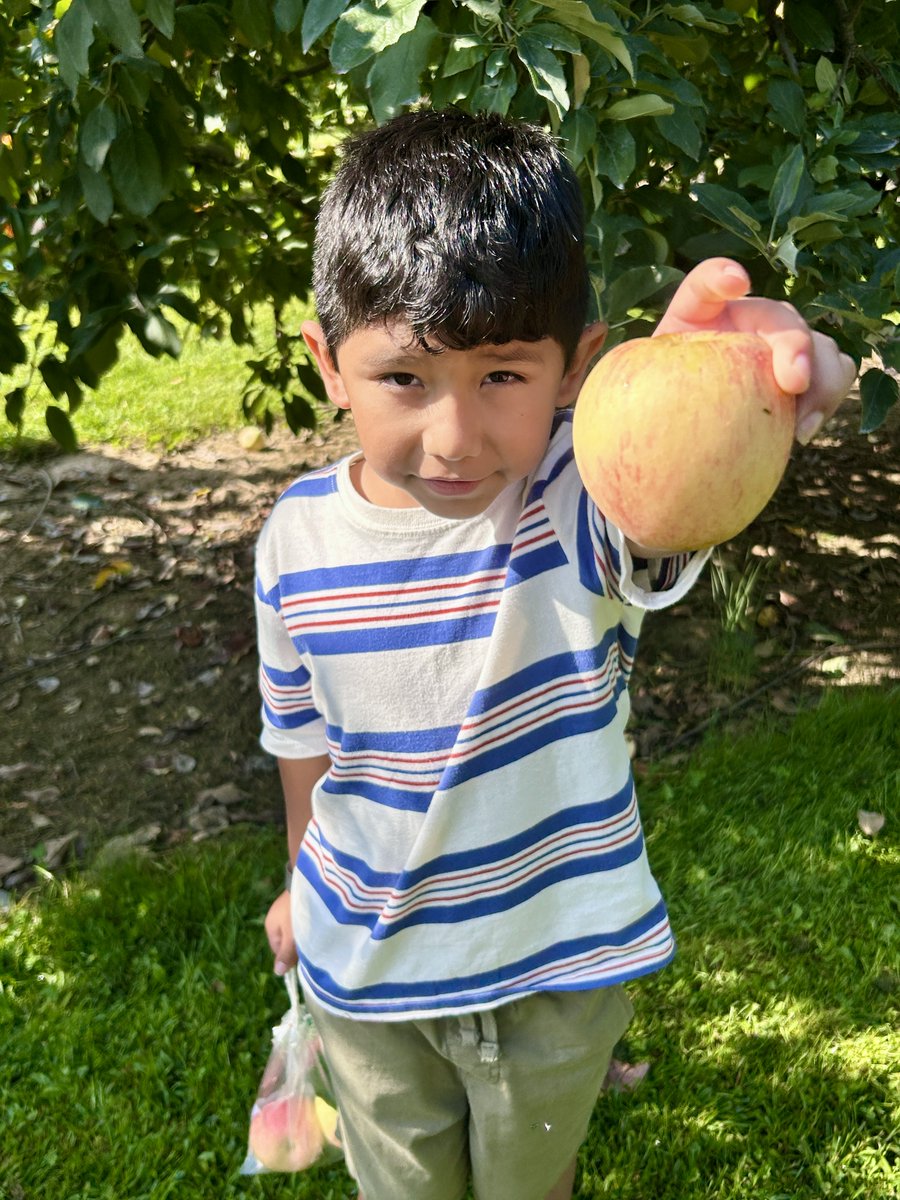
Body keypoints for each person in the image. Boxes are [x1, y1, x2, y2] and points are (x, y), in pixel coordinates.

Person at [257, 108, 855, 1200]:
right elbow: (300, 731)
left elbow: (663, 502)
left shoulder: (575, 500)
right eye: (404, 378)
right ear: (327, 363)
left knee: (533, 1182)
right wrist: (301, 877)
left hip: (556, 975)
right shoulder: (293, 542)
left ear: (577, 367)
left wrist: (732, 375)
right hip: (370, 973)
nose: (454, 437)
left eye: (502, 377)